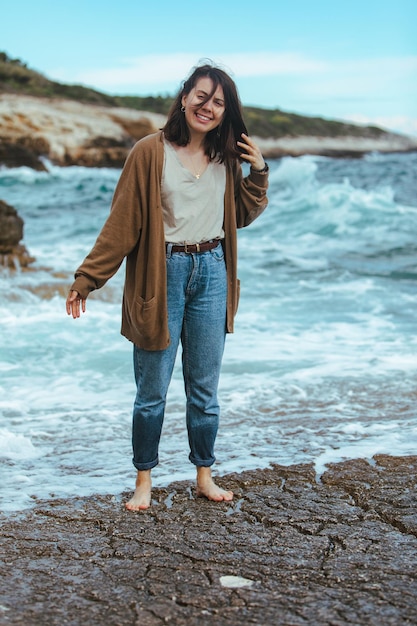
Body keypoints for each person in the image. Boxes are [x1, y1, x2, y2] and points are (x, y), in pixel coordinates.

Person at [66, 62, 269, 511]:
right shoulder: (148, 152)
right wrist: (88, 278)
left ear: (224, 111)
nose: (208, 107)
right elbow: (123, 224)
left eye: (218, 102)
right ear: (184, 98)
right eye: (202, 96)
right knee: (152, 390)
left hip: (213, 271)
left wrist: (258, 173)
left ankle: (205, 475)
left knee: (204, 389)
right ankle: (144, 482)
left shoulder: (225, 156)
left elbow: (238, 216)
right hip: (164, 274)